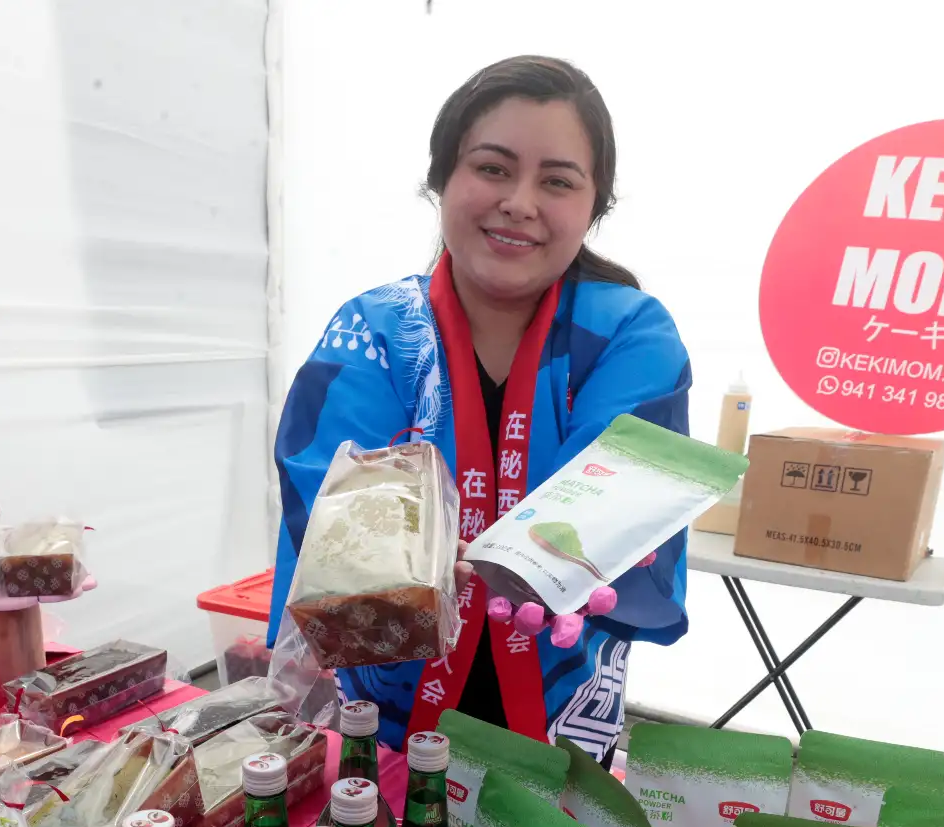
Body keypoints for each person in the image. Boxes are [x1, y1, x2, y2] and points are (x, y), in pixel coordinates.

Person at [269, 55, 694, 760]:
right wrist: (427, 562)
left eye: (556, 181)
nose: (520, 202)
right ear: (442, 179)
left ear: (595, 207)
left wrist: (532, 562)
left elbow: (619, 499)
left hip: (558, 697)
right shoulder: (375, 329)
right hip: (386, 706)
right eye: (493, 168)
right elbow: (332, 501)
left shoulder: (629, 332)